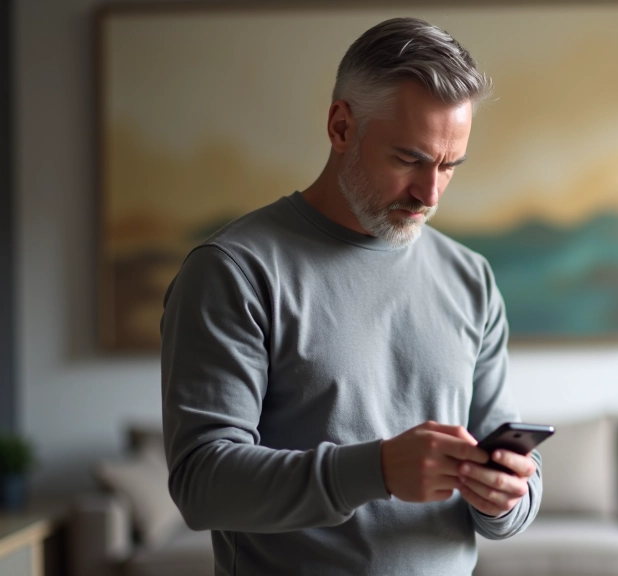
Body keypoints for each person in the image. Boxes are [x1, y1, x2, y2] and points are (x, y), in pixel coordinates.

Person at [160, 17, 542, 575]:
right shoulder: (233, 271)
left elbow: (509, 465)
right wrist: (378, 470)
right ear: (341, 127)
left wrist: (507, 498)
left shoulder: (471, 277)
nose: (428, 192)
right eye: (408, 158)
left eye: (449, 165)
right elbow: (201, 483)